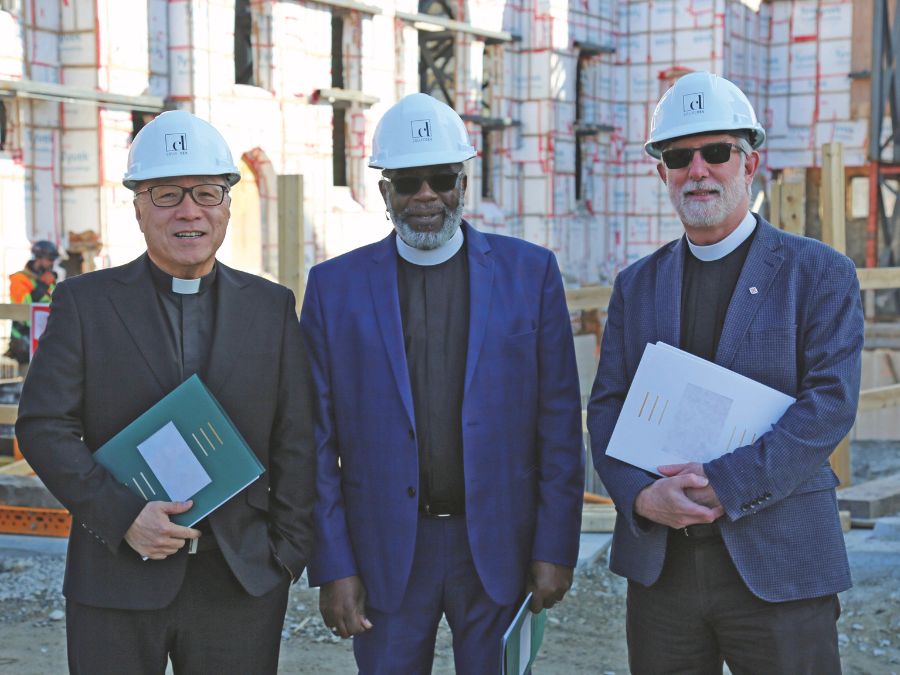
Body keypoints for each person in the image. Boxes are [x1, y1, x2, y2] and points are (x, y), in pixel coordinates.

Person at [15, 110, 316, 675]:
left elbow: (297, 435)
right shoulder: (85, 304)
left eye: (206, 193)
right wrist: (123, 514)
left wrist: (287, 553)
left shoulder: (271, 307)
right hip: (116, 576)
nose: (188, 211)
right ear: (137, 206)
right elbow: (42, 426)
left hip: (240, 579)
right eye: (166, 194)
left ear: (228, 204)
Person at [588, 71, 864, 674]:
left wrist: (728, 483)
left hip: (781, 566)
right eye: (679, 156)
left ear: (750, 163)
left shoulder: (818, 274)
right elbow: (608, 408)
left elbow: (830, 405)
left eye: (717, 152)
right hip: (666, 576)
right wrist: (640, 497)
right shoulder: (637, 286)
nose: (699, 170)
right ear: (661, 172)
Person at [300, 92, 584, 673]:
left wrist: (555, 548)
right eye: (408, 183)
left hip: (500, 549)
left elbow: (558, 422)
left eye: (440, 179)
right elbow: (313, 442)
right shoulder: (334, 290)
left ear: (463, 181)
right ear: (385, 192)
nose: (425, 196)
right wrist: (333, 566)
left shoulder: (530, 275)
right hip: (387, 555)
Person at [6, 240, 58, 365]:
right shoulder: (19, 279)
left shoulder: (48, 279)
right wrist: (43, 285)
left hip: (45, 337)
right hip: (23, 340)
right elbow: (26, 310)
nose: (52, 263)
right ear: (38, 258)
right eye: (50, 259)